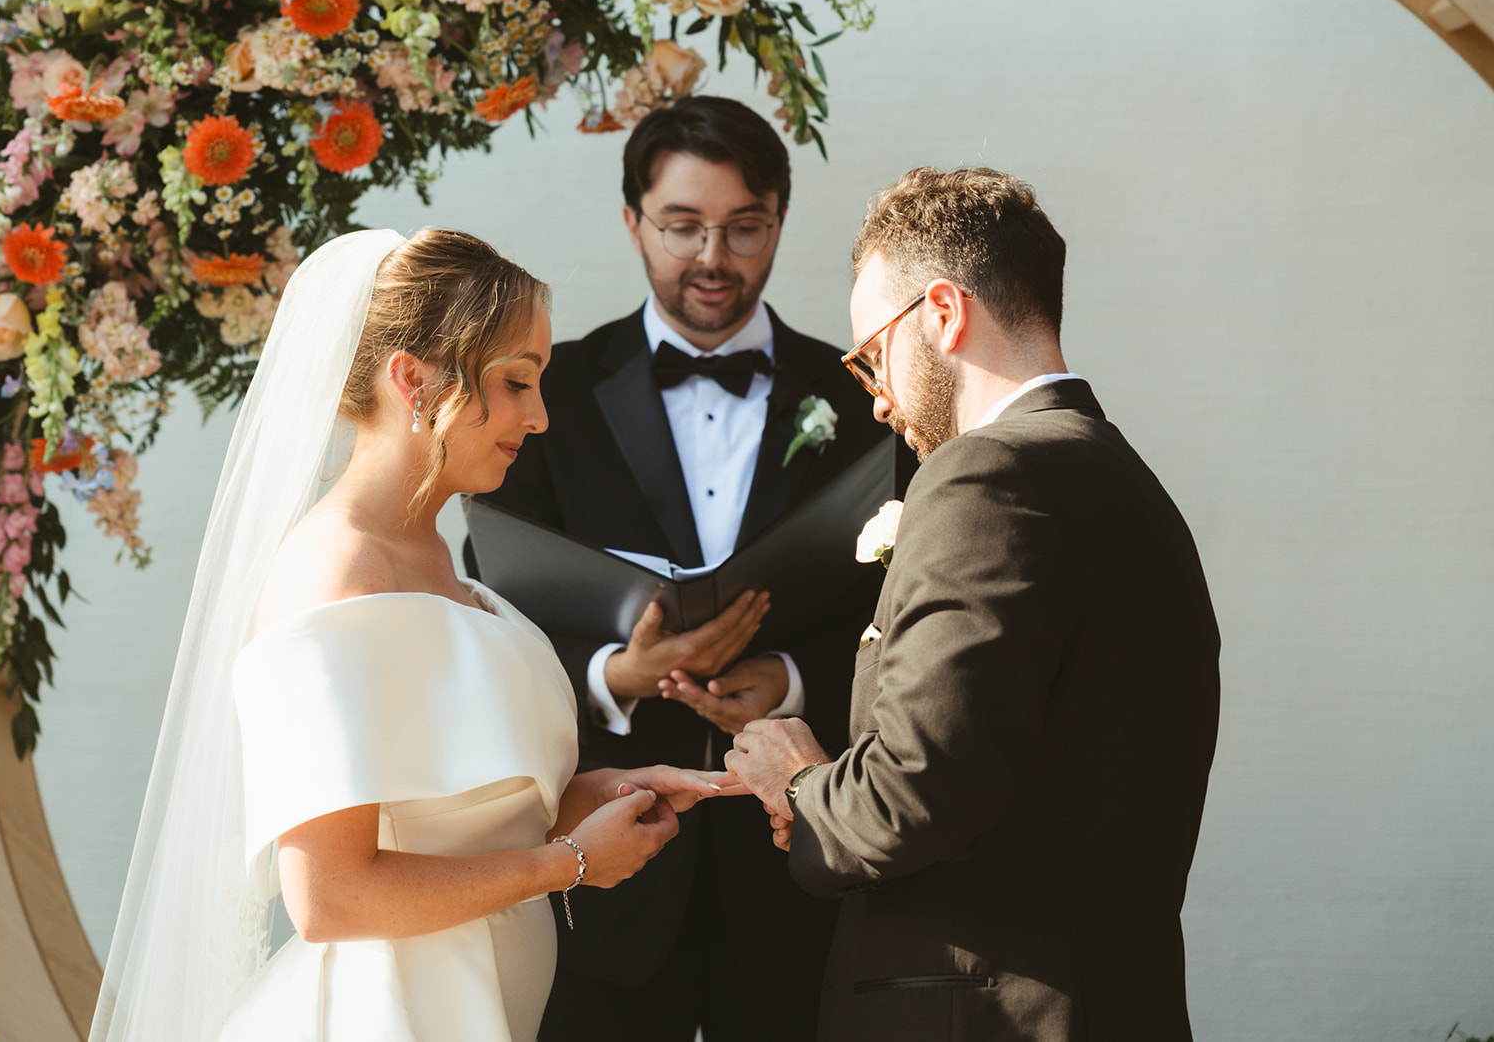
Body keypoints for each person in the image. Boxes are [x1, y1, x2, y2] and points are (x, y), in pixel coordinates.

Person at [90, 227, 741, 1042]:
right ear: (413, 379)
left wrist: (593, 796)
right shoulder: (337, 570)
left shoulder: (442, 564)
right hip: (385, 1012)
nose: (539, 417)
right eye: (515, 383)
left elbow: (457, 816)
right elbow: (330, 896)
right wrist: (568, 863)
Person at [726, 167, 1221, 1041]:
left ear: (944, 314)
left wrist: (799, 781)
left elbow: (918, 788)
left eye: (872, 354)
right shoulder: (1129, 482)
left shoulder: (984, 474)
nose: (875, 396)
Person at [471, 96, 908, 1042]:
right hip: (606, 876)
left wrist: (790, 682)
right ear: (633, 222)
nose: (713, 255)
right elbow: (488, 598)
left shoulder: (865, 396)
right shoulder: (551, 393)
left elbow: (911, 610)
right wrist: (607, 676)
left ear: (779, 221)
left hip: (799, 875)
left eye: (744, 227)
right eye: (682, 226)